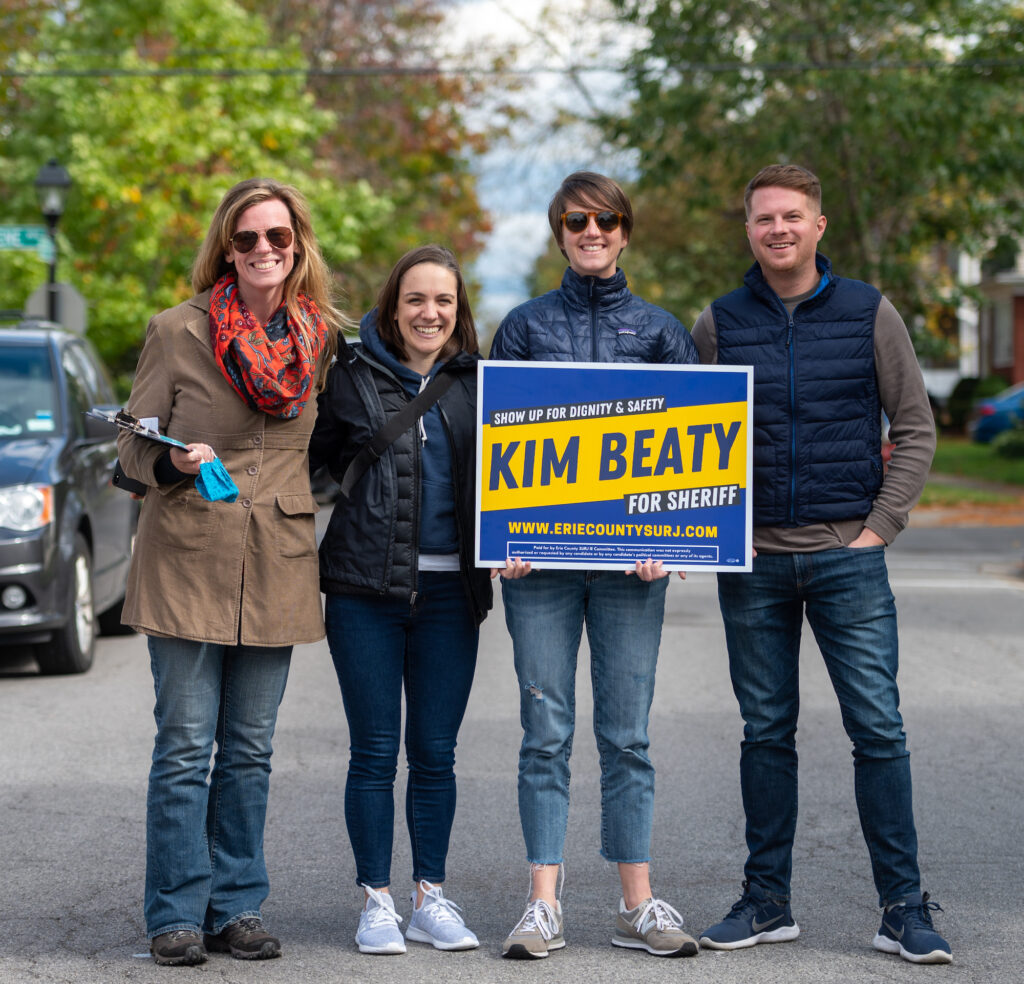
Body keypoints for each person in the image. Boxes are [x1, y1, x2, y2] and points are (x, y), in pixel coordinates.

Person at [691, 164, 951, 964]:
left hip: (848, 555)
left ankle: (902, 907)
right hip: (754, 562)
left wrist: (879, 528)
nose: (779, 229)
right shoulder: (717, 323)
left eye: (792, 216)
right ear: (749, 231)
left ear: (819, 226)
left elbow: (915, 427)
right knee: (766, 731)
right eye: (765, 218)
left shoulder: (871, 312)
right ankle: (767, 901)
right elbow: (683, 446)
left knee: (878, 729)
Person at [117, 177, 344, 966]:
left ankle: (237, 905)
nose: (262, 251)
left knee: (249, 748)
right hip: (184, 558)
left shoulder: (322, 338)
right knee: (184, 745)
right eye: (246, 239)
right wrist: (173, 461)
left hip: (277, 561)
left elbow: (347, 439)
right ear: (225, 246)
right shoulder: (176, 330)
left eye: (277, 238)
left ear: (297, 246)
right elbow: (130, 449)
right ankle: (176, 913)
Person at [489, 171, 700, 959]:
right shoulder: (522, 328)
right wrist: (500, 533)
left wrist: (673, 540)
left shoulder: (660, 332)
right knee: (544, 732)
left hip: (629, 576)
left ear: (624, 230)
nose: (592, 231)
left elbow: (689, 455)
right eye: (576, 220)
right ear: (560, 232)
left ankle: (636, 905)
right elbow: (497, 440)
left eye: (606, 219)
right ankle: (543, 905)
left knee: (626, 737)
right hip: (537, 574)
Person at [308, 244, 492, 955]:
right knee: (375, 752)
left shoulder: (481, 384)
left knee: (437, 753)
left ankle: (430, 898)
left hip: (453, 594)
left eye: (443, 301)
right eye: (416, 299)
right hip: (363, 592)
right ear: (392, 305)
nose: (429, 312)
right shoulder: (348, 376)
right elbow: (307, 460)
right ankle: (375, 901)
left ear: (459, 311)